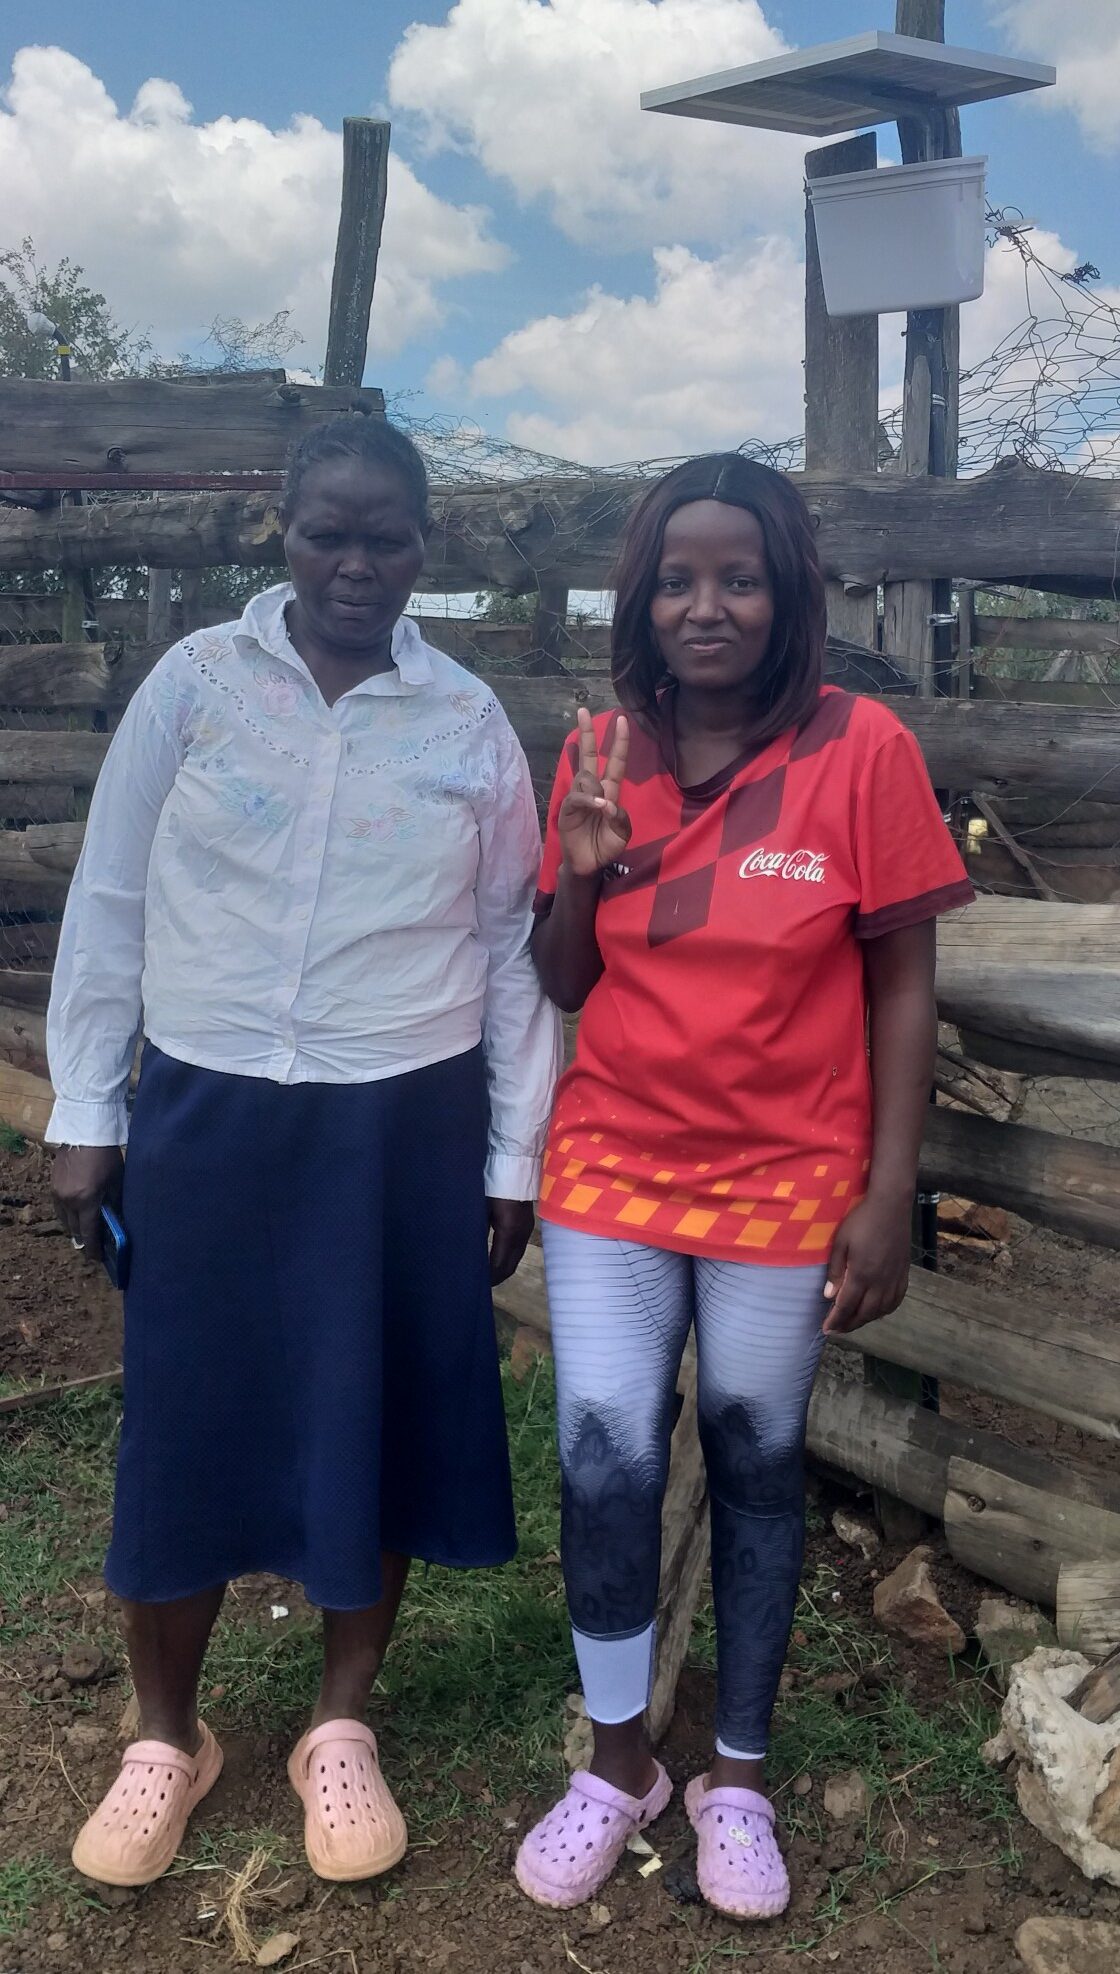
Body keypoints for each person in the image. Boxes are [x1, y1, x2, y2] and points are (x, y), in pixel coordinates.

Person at [46, 413, 560, 1890]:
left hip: (401, 1120)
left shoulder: (464, 722)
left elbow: (507, 944)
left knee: (371, 1405)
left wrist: (510, 1151)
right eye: (327, 530)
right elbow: (114, 896)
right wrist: (90, 1109)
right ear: (280, 529)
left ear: (422, 545)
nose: (354, 561)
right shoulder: (197, 684)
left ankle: (340, 1723)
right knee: (189, 1414)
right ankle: (167, 1737)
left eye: (384, 535)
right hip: (208, 1111)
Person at [515, 454, 973, 1922]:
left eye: (739, 577)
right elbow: (563, 979)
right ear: (640, 597)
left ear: (788, 595)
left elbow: (904, 980)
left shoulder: (862, 749)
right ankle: (615, 1763)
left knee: (757, 1457)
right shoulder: (598, 748)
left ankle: (742, 1776)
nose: (705, 606)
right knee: (604, 1456)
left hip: (787, 1185)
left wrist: (888, 1189)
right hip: (613, 1169)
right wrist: (581, 875)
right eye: (676, 579)